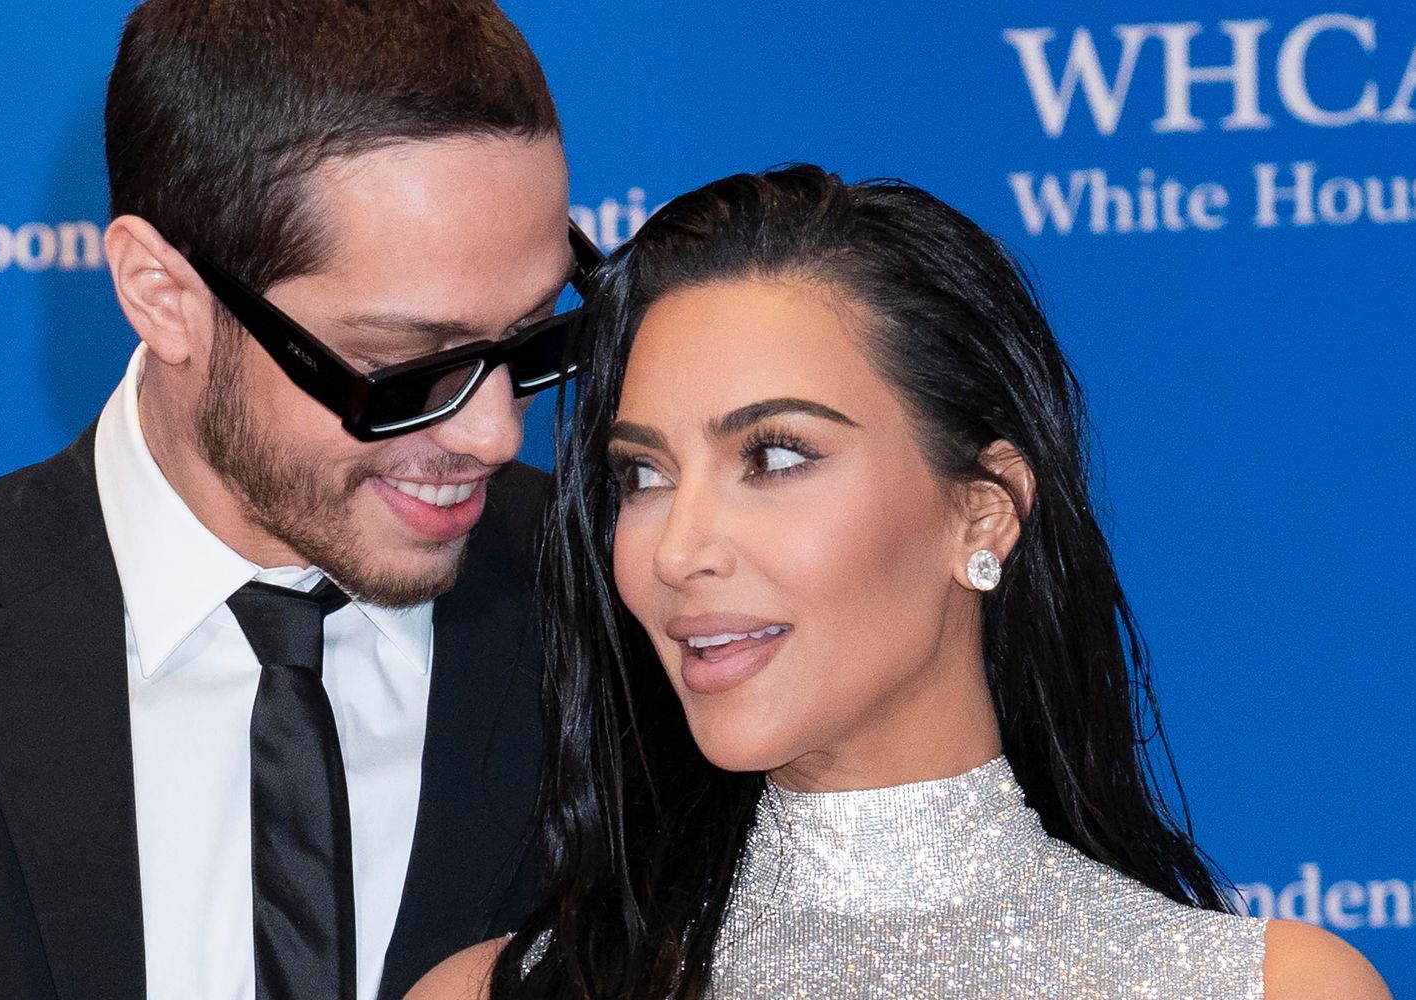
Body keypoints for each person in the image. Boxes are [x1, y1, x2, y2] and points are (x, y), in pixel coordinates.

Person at [0, 2, 599, 998]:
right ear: (161, 294)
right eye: (405, 369)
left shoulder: (612, 600)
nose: (495, 434)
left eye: (535, 339)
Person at [409, 166, 1390, 999]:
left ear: (983, 512)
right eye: (643, 475)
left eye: (775, 457)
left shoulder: (1265, 987)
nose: (677, 550)